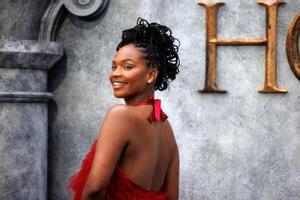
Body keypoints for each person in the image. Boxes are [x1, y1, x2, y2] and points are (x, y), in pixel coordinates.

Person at [68, 17, 181, 200]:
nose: (115, 74)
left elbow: (95, 188)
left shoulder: (120, 116)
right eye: (114, 66)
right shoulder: (167, 130)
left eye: (127, 66)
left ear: (151, 74)